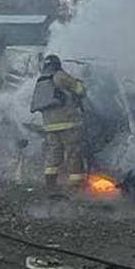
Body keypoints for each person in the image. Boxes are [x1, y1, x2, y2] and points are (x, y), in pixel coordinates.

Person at [30, 54, 86, 190]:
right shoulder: (60, 76)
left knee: (54, 152)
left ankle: (50, 183)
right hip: (68, 122)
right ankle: (76, 184)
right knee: (73, 152)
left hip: (49, 125)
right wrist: (80, 83)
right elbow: (80, 91)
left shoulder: (42, 79)